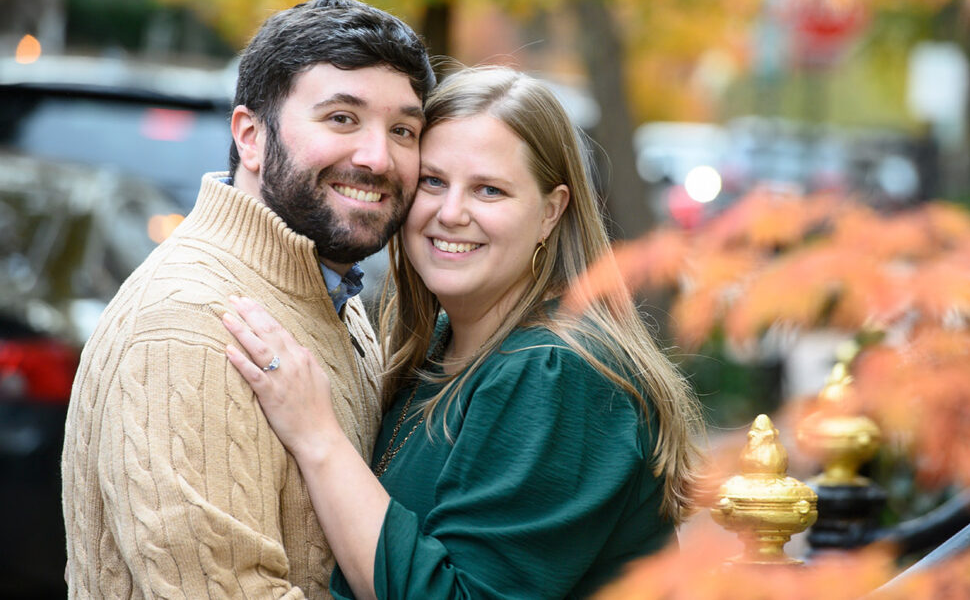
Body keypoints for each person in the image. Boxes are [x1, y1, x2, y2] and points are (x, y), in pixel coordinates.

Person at [221, 66, 704, 599]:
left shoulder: (555, 371)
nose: (451, 213)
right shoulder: (439, 345)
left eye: (489, 190)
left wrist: (317, 436)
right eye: (433, 181)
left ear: (551, 211)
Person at [61, 0, 435, 598]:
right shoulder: (185, 326)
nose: (378, 157)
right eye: (342, 118)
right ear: (252, 136)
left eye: (403, 130)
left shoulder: (328, 294)